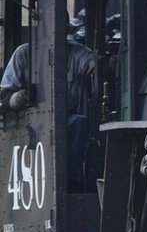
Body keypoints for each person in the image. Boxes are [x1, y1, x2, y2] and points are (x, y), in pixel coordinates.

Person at [1, 20, 98, 189]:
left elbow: (92, 63)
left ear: (67, 29)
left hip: (67, 120)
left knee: (79, 122)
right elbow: (5, 95)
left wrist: (105, 64)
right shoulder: (23, 54)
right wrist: (19, 98)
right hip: (28, 124)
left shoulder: (77, 53)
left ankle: (71, 182)